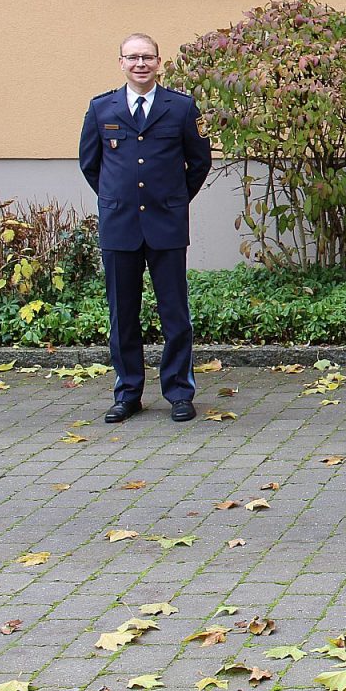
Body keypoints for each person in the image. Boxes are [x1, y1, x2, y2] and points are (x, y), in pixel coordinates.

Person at [79, 34, 212, 423]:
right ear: (121, 62)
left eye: (147, 57)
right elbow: (91, 164)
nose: (140, 64)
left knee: (175, 312)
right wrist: (114, 199)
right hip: (120, 226)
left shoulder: (182, 107)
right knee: (122, 313)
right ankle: (128, 392)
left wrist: (173, 199)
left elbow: (198, 162)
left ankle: (179, 392)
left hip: (166, 224)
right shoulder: (102, 107)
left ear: (159, 62)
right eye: (133, 57)